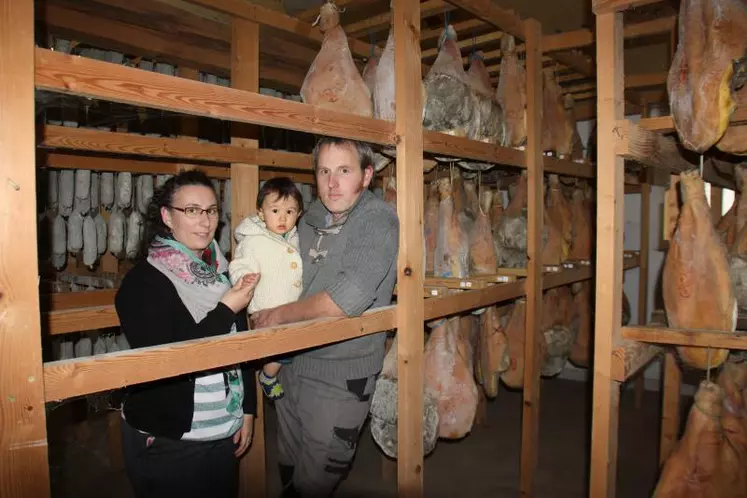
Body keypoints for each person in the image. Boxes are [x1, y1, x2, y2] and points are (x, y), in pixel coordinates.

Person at [251, 138, 399, 498]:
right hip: (292, 365)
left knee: (315, 479)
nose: (332, 183)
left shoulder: (377, 219)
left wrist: (277, 316)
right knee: (287, 463)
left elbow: (346, 298)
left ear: (366, 175)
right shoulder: (309, 217)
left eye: (344, 171)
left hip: (342, 374)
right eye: (324, 171)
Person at [115, 170, 260, 498]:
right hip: (171, 440)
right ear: (167, 216)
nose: (205, 221)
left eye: (210, 211)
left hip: (224, 430)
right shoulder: (142, 284)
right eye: (192, 210)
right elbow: (171, 359)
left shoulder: (221, 274)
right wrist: (226, 309)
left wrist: (247, 409)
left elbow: (242, 348)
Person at [229, 177, 304, 401]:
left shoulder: (294, 237)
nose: (283, 217)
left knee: (289, 346)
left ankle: (270, 373)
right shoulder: (253, 240)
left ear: (298, 214)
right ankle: (267, 376)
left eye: (290, 212)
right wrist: (244, 277)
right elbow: (239, 263)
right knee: (283, 349)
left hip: (290, 306)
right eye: (275, 210)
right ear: (261, 213)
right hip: (266, 306)